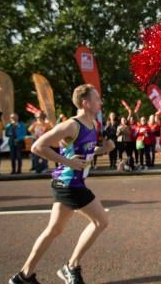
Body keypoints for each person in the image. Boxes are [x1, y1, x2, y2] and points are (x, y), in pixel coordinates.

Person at [9, 84, 114, 284]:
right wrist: (69, 162)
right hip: (69, 183)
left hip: (70, 182)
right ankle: (71, 266)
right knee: (101, 221)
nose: (101, 102)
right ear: (86, 103)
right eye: (97, 98)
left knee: (54, 230)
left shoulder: (92, 123)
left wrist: (104, 149)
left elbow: (85, 151)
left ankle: (24, 276)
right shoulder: (72, 125)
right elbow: (38, 147)